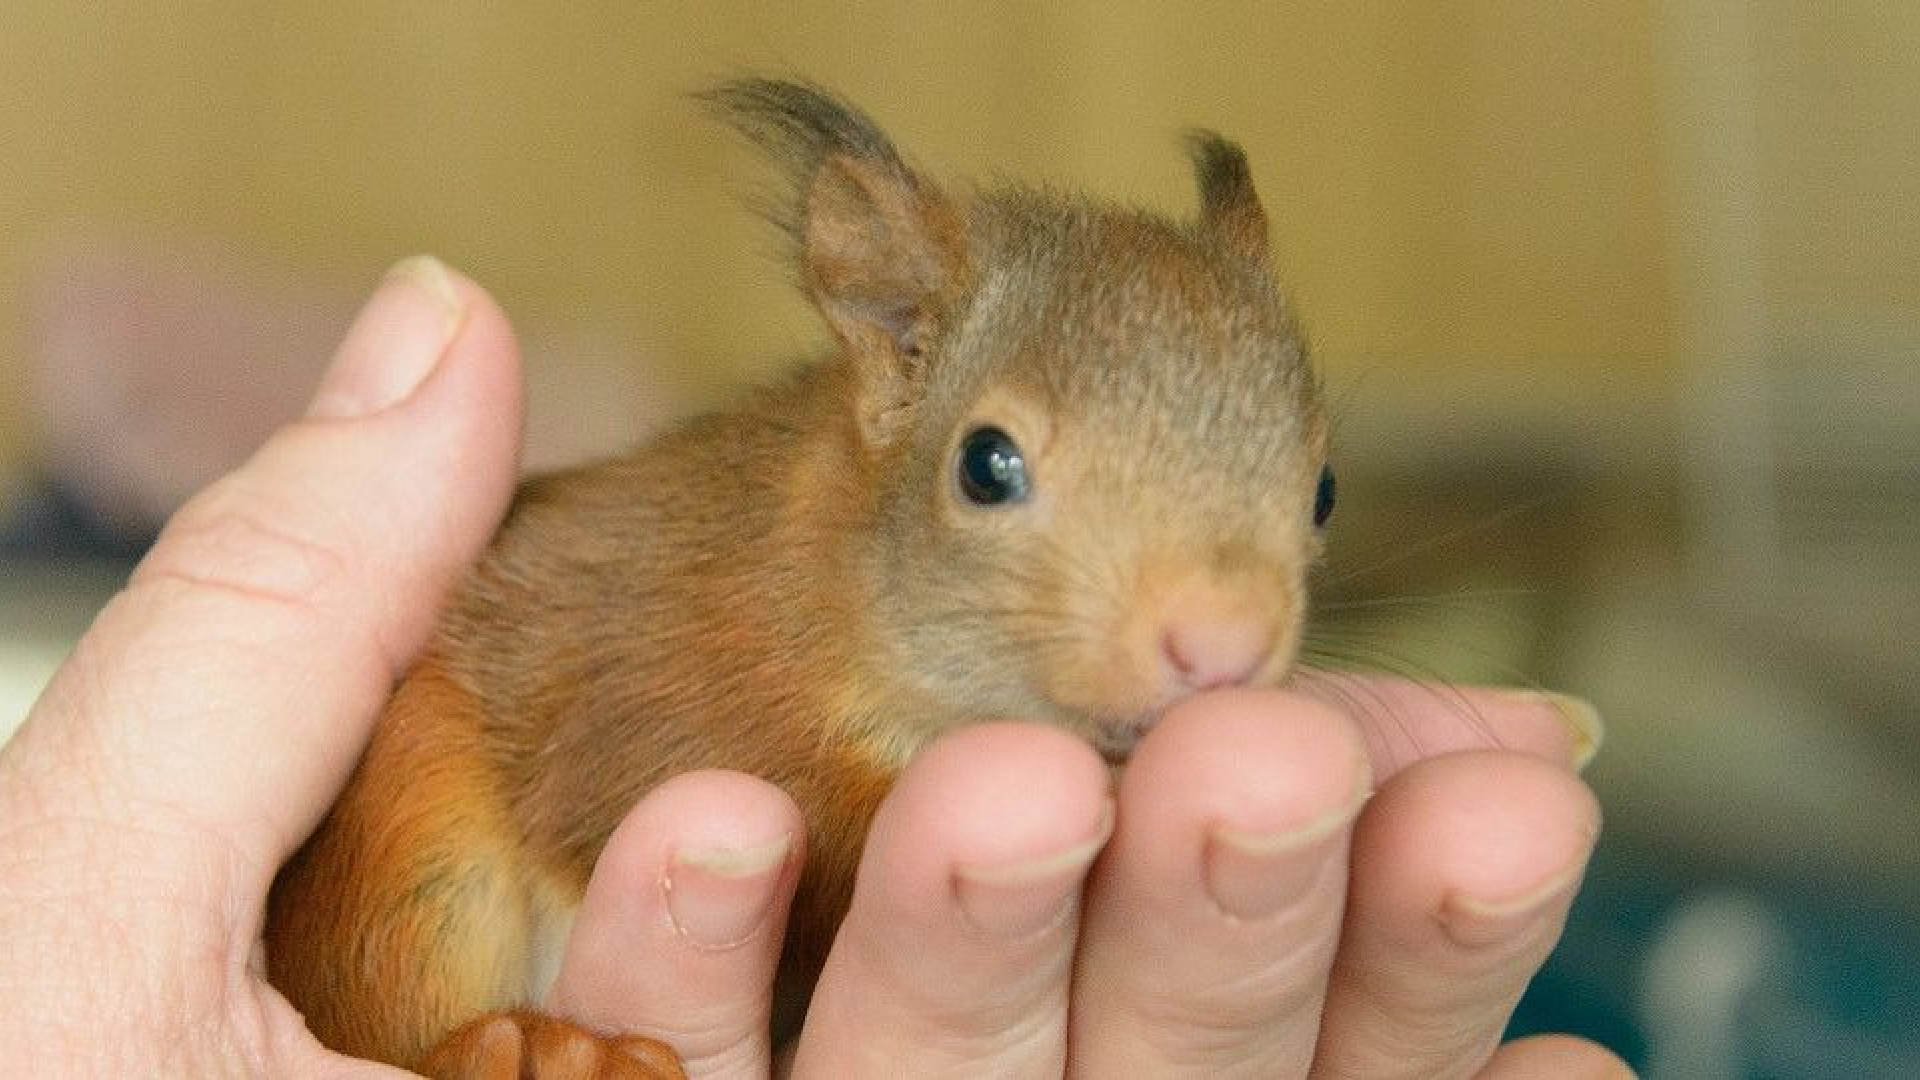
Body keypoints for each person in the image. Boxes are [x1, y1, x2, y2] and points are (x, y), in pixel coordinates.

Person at [0, 258, 1631, 1078]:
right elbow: (639, 798)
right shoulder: (776, 610)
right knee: (425, 747)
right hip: (506, 828)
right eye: (1002, 474)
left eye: (1305, 507)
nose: (1225, 629)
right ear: (893, 364)